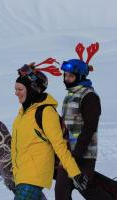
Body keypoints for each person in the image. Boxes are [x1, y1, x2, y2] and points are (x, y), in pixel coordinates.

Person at [11, 59, 88, 200]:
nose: (16, 93)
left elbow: (59, 145)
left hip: (33, 177)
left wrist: (74, 172)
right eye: (15, 89)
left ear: (33, 89)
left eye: (20, 89)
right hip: (22, 178)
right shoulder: (22, 115)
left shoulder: (46, 112)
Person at [55, 42, 112, 199]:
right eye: (65, 75)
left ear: (79, 77)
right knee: (61, 193)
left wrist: (77, 153)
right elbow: (67, 124)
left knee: (88, 190)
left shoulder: (89, 96)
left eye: (71, 76)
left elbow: (90, 126)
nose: (67, 79)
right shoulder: (70, 95)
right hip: (67, 155)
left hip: (83, 155)